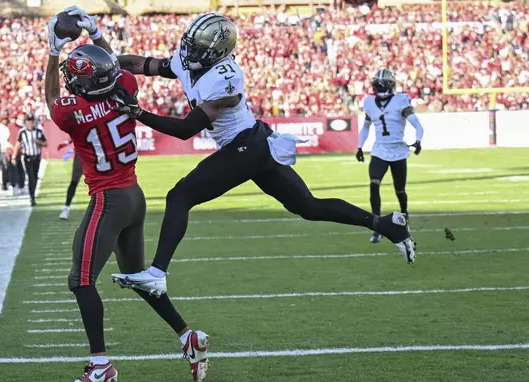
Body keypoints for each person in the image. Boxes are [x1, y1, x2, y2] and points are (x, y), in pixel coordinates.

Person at [109, 13, 417, 296]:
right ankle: (386, 224)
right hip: (256, 145)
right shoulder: (186, 60)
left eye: (197, 47)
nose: (188, 52)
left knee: (180, 196)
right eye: (189, 45)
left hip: (246, 147)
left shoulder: (225, 78)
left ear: (216, 52)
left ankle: (157, 273)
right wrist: (108, 63)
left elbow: (187, 129)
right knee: (308, 206)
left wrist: (137, 112)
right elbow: (143, 65)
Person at [45, 7, 209, 382]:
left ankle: (100, 364)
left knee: (80, 280)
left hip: (109, 200)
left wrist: (54, 49)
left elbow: (52, 94)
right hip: (134, 195)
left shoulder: (74, 111)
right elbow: (115, 66)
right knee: (138, 279)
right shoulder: (127, 88)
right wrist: (97, 33)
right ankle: (188, 336)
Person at [356, 69, 425, 243]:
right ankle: (377, 225)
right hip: (379, 150)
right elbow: (365, 126)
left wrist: (418, 140)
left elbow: (417, 124)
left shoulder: (401, 100)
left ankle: (404, 216)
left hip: (398, 150)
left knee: (400, 191)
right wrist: (359, 146)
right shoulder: (370, 102)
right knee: (374, 183)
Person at [12, 113, 46, 207]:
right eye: (28, 121)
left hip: (36, 157)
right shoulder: (22, 132)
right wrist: (14, 156)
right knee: (30, 177)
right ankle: (32, 197)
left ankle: (32, 194)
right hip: (27, 157)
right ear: (26, 122)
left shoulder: (39, 131)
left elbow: (45, 143)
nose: (30, 123)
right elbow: (18, 144)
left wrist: (39, 142)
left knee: (34, 178)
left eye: (32, 121)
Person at [57, 138, 83, 220]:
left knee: (100, 184)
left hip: (95, 156)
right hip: (81, 156)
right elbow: (75, 131)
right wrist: (66, 142)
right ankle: (66, 208)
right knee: (74, 181)